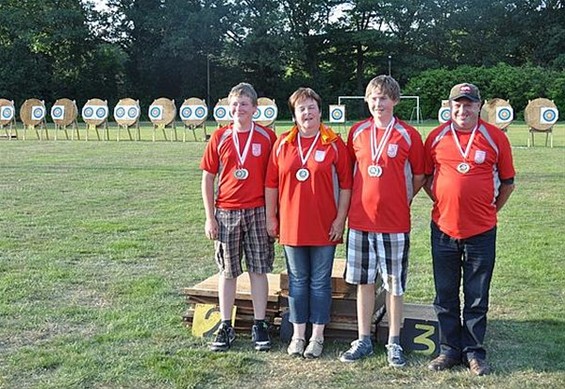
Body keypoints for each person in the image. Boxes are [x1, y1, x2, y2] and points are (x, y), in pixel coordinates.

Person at [424, 83, 516, 376]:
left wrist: (488, 210)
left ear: (480, 106)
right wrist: (444, 200)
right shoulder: (436, 136)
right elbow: (426, 178)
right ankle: (449, 350)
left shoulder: (495, 137)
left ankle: (474, 351)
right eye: (458, 105)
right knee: (446, 294)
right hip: (443, 229)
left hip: (481, 230)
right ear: (449, 107)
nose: (463, 110)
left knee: (477, 296)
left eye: (469, 104)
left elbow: (508, 183)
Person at [339, 75, 425, 367]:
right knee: (363, 283)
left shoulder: (409, 135)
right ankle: (363, 339)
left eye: (384, 98)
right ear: (367, 100)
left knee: (394, 285)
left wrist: (402, 199)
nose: (379, 103)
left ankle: (394, 342)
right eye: (374, 98)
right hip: (360, 221)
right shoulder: (357, 132)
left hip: (394, 223)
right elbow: (349, 175)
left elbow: (419, 175)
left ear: (395, 101)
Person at [265, 87, 352, 358]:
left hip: (326, 226)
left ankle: (317, 337)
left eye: (311, 107)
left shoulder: (334, 143)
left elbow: (347, 186)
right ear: (294, 114)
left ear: (320, 110)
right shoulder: (282, 143)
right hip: (291, 226)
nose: (307, 112)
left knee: (320, 283)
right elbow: (271, 184)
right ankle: (298, 336)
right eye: (301, 108)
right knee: (298, 281)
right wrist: (271, 216)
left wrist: (340, 220)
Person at [200, 82, 277, 352]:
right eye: (234, 104)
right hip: (227, 212)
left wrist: (273, 215)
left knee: (258, 269)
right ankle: (225, 324)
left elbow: (275, 180)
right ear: (227, 108)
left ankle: (259, 323)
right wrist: (210, 217)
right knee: (228, 271)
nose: (239, 109)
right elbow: (208, 179)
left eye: (244, 104)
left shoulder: (268, 138)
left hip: (258, 211)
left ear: (255, 109)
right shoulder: (219, 137)